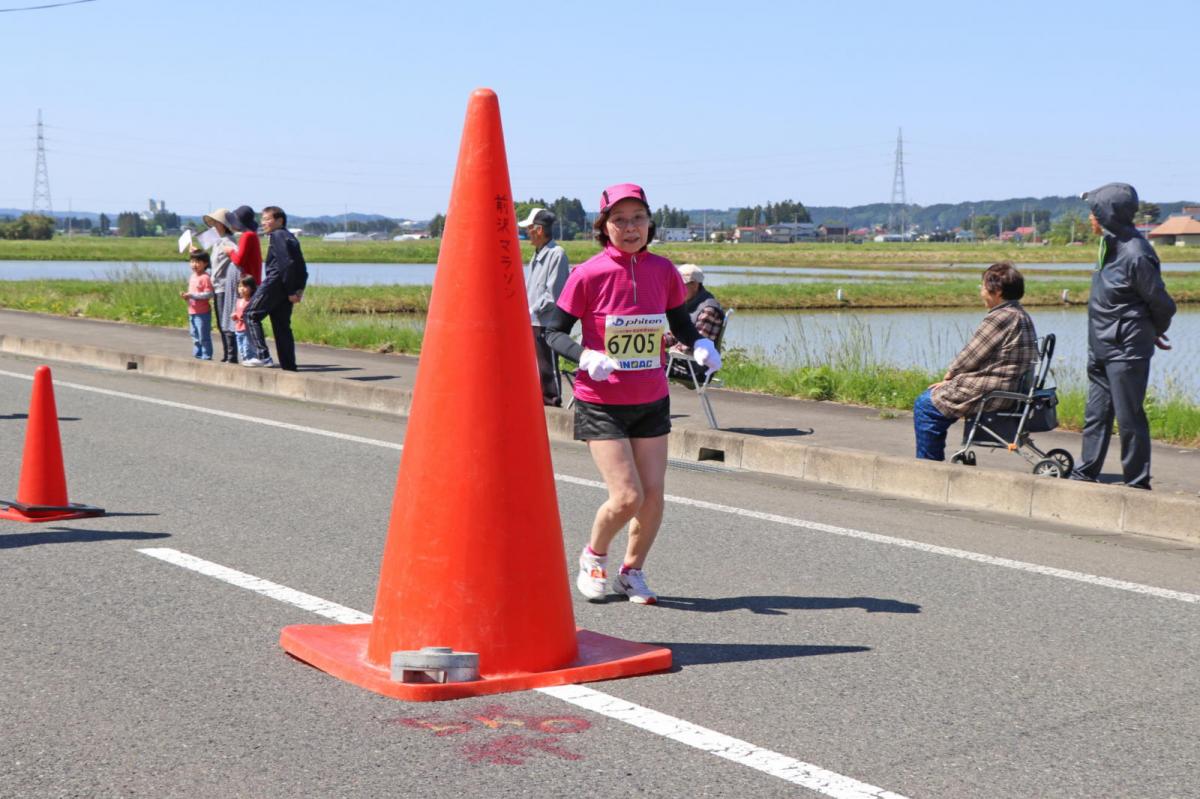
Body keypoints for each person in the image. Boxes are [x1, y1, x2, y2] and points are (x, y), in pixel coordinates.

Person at [543, 183, 721, 605]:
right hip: (602, 401)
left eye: (637, 218)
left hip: (651, 398)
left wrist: (699, 343)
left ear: (650, 224)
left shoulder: (663, 272)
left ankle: (632, 572)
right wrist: (585, 354)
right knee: (627, 496)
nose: (629, 227)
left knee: (654, 495)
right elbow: (552, 331)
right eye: (619, 220)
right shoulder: (588, 274)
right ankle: (593, 556)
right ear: (603, 226)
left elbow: (680, 321)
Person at [1071, 182, 1176, 489]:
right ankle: (1085, 474)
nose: (1090, 218)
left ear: (1108, 214)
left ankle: (1137, 482)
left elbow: (1162, 303)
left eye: (1094, 212)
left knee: (1129, 419)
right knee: (1095, 415)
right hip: (1101, 345)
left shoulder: (1137, 253)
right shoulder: (1108, 245)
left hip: (1126, 350)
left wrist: (1152, 331)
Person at [913, 262, 1037, 461]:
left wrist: (949, 376)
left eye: (983, 287)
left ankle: (929, 465)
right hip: (1011, 387)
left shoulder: (1000, 317)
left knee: (926, 405)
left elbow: (970, 355)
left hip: (993, 389)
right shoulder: (1021, 314)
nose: (981, 292)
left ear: (997, 291)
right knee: (932, 403)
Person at [243, 205, 308, 370]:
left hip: (276, 282)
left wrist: (293, 290)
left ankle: (262, 356)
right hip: (286, 286)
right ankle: (289, 366)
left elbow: (287, 264)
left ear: (279, 220)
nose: (263, 223)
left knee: (250, 314)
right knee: (281, 326)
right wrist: (298, 289)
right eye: (262, 219)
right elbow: (302, 268)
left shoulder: (278, 235)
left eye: (267, 219)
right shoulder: (289, 236)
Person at [518, 207, 570, 406]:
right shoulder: (537, 254)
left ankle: (553, 402)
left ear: (539, 230)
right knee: (536, 365)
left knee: (548, 365)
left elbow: (553, 295)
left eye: (529, 228)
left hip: (546, 321)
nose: (526, 233)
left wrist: (531, 309)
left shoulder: (556, 254)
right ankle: (539, 402)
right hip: (533, 319)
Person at [664, 263, 725, 383]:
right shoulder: (691, 303)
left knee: (646, 363)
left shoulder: (708, 310)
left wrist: (665, 350)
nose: (676, 289)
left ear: (695, 285)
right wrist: (658, 341)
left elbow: (696, 347)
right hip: (687, 363)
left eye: (681, 285)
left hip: (695, 369)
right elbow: (679, 334)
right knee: (645, 356)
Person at [197, 208, 240, 363]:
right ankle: (227, 354)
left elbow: (238, 259)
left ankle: (231, 355)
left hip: (224, 287)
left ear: (222, 225)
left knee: (226, 322)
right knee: (221, 322)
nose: (213, 226)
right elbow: (214, 264)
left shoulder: (228, 242)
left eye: (215, 222)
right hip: (217, 287)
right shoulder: (218, 242)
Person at [180, 250, 215, 360]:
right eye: (192, 261)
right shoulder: (192, 276)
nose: (194, 264)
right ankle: (197, 354)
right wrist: (186, 296)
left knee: (203, 336)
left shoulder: (205, 277)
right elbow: (192, 294)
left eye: (198, 262)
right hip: (192, 311)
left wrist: (193, 295)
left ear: (205, 263)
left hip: (202, 312)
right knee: (194, 334)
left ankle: (206, 355)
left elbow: (209, 294)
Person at [231, 275, 256, 363]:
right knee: (241, 347)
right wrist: (234, 315)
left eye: (245, 286)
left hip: (247, 329)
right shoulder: (239, 300)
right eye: (240, 286)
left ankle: (251, 360)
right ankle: (245, 360)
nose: (241, 289)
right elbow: (237, 312)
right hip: (238, 328)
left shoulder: (252, 301)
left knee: (248, 347)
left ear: (252, 288)